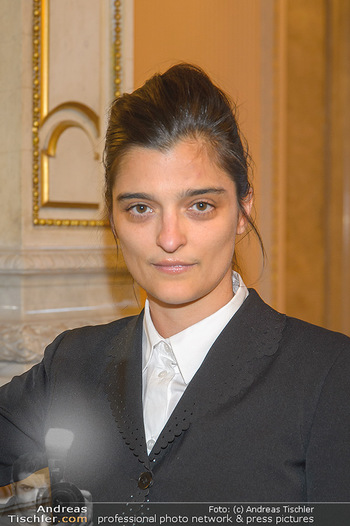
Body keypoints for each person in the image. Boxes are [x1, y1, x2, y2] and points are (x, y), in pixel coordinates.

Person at [0, 64, 349, 503]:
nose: (169, 238)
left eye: (199, 205)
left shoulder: (330, 377)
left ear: (243, 212)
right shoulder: (71, 363)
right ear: (112, 218)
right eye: (141, 208)